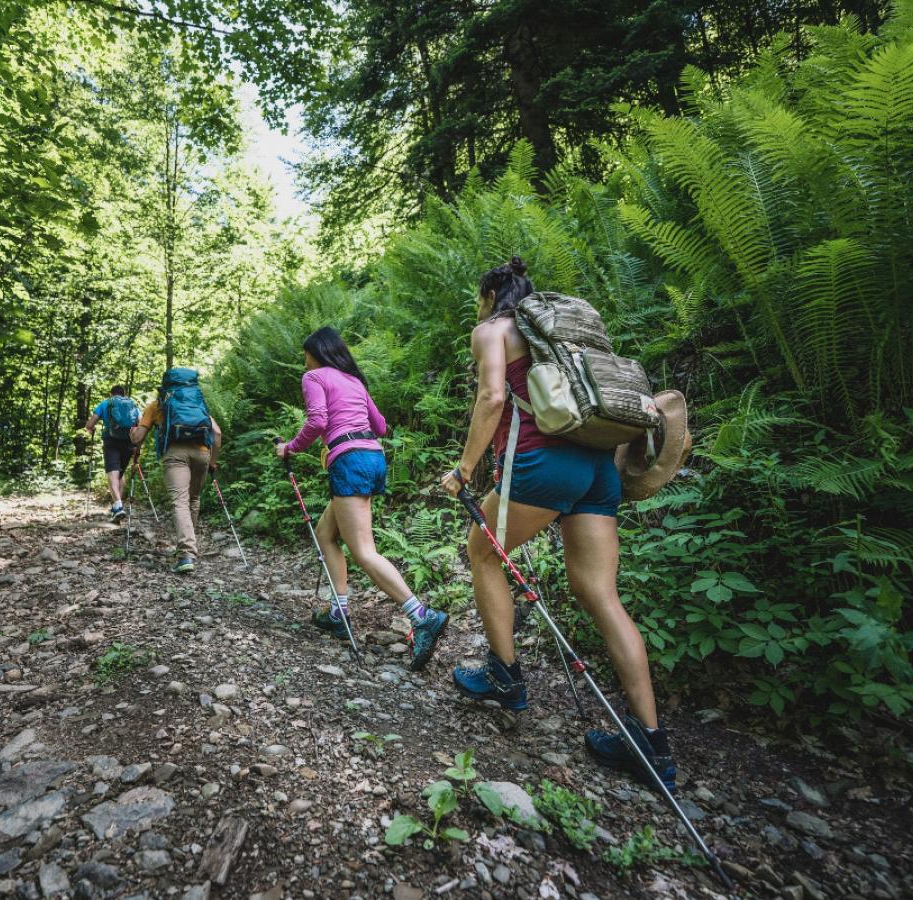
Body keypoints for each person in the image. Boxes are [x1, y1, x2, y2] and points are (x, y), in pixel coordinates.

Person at [438, 257, 677, 793]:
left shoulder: (493, 329)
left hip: (543, 463)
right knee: (601, 594)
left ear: (490, 294)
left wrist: (465, 469)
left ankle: (505, 676)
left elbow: (493, 397)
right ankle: (651, 742)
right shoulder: (562, 338)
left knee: (481, 552)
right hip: (598, 467)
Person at [276, 326, 448, 671]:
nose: (304, 360)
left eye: (306, 353)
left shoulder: (314, 377)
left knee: (364, 551)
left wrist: (290, 448)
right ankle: (338, 611)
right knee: (327, 534)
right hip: (373, 457)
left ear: (316, 352)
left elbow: (318, 420)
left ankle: (421, 616)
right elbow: (381, 426)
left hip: (349, 460)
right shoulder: (354, 380)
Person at [130, 368, 222, 575]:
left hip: (175, 454)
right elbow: (217, 433)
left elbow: (138, 439)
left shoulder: (157, 405)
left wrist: (132, 434)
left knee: (179, 501)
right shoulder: (197, 403)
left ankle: (187, 553)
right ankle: (189, 546)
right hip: (202, 453)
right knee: (193, 499)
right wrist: (213, 462)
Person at [85, 385, 139, 522]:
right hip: (128, 442)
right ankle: (117, 508)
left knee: (112, 473)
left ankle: (118, 506)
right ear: (124, 393)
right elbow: (139, 423)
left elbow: (90, 424)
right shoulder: (132, 404)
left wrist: (90, 429)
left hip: (111, 442)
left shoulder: (106, 403)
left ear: (111, 394)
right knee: (120, 474)